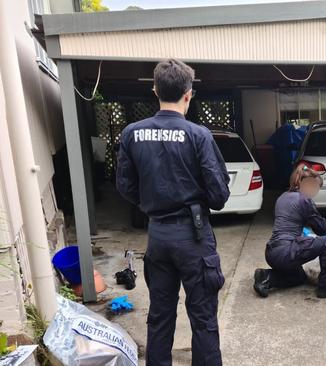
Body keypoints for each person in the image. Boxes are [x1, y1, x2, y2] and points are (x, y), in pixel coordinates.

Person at [116, 59, 230, 366]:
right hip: (194, 237)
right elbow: (219, 195)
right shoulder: (198, 135)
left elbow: (125, 186)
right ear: (189, 94)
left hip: (158, 236)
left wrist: (151, 203)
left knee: (160, 316)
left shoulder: (131, 134)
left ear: (155, 90)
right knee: (203, 318)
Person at [253, 164, 326, 299]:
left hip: (272, 253)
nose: (316, 191)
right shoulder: (304, 200)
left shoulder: (283, 197)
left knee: (299, 277)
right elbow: (321, 230)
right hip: (286, 252)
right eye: (315, 187)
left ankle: (266, 277)